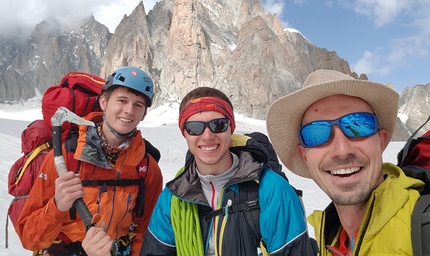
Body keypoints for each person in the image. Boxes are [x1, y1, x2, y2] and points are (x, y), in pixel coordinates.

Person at [266, 69, 425, 255]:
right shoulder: (329, 240)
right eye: (315, 134)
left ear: (381, 141)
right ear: (304, 156)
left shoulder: (423, 228)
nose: (342, 150)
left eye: (359, 124)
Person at [140, 86, 315, 256]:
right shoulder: (172, 197)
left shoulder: (272, 190)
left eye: (218, 125)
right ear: (184, 132)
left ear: (231, 127)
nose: (207, 136)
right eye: (195, 127)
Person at [15, 66, 163, 256]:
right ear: (103, 102)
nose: (129, 110)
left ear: (143, 114)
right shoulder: (65, 159)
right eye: (122, 100)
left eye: (138, 105)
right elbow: (29, 238)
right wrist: (58, 205)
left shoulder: (147, 168)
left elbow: (144, 230)